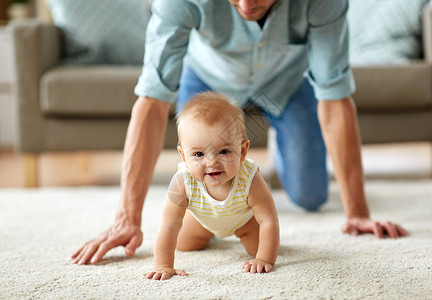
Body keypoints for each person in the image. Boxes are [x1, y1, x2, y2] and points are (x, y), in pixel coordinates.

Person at [72, 0, 408, 266]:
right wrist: (126, 219)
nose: (246, 5)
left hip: (288, 83)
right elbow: (152, 101)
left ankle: (281, 141)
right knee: (203, 175)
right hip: (208, 82)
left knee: (310, 197)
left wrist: (359, 213)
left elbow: (335, 101)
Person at [145, 92, 279, 280]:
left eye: (224, 151)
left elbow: (268, 220)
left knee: (262, 248)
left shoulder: (250, 178)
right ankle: (206, 229)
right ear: (184, 156)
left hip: (244, 223)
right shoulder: (182, 182)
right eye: (199, 154)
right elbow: (168, 225)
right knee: (183, 244)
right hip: (202, 221)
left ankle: (250, 241)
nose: (211, 162)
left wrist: (264, 259)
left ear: (242, 151)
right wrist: (163, 265)